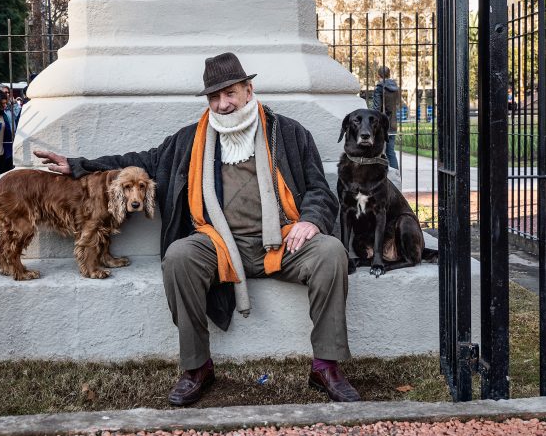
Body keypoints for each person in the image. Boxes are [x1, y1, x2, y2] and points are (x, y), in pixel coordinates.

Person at [35, 52, 359, 406]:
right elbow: (142, 161)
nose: (222, 105)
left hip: (280, 241)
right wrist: (79, 165)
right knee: (179, 256)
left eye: (230, 94)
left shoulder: (290, 134)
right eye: (214, 97)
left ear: (249, 90)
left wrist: (310, 220)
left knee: (330, 252)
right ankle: (197, 367)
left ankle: (326, 366)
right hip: (217, 244)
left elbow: (317, 189)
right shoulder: (190, 141)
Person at [372, 66, 401, 170]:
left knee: (377, 152)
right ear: (389, 74)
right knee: (390, 152)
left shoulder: (379, 88)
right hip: (393, 123)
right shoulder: (396, 88)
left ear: (378, 75)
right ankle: (396, 178)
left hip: (381, 125)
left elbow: (376, 109)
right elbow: (397, 105)